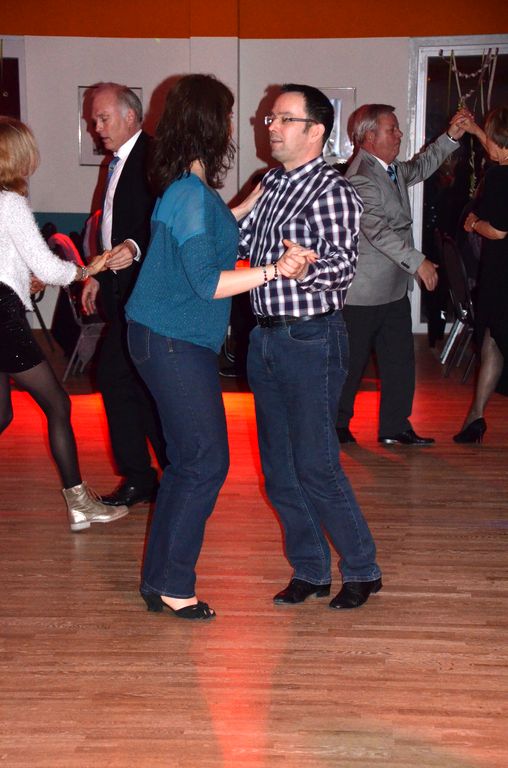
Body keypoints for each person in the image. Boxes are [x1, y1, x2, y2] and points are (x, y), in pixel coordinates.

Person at [125, 74, 292, 620]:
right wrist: (276, 269)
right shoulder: (190, 192)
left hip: (166, 336)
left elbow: (212, 230)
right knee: (204, 461)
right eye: (227, 116)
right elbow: (208, 281)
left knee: (189, 461)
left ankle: (161, 580)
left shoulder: (188, 188)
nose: (233, 126)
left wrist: (249, 202)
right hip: (172, 340)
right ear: (209, 123)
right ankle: (173, 584)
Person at [238, 83, 382, 610]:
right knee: (279, 470)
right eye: (270, 118)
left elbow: (342, 267)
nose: (271, 127)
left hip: (311, 337)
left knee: (316, 464)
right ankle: (311, 569)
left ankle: (362, 569)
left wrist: (304, 269)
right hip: (265, 336)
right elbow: (239, 244)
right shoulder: (270, 183)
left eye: (284, 118)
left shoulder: (332, 190)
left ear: (316, 130)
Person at [0, 116, 129, 531]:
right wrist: (86, 270)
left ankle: (80, 504)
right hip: (2, 317)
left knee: (2, 414)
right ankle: (80, 505)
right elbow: (48, 267)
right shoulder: (9, 202)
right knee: (58, 404)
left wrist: (26, 277)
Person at [335, 103, 470, 445]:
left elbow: (421, 166)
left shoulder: (389, 168)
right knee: (351, 364)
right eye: (391, 129)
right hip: (364, 292)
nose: (399, 134)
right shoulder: (360, 178)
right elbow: (377, 231)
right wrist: (418, 261)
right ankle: (335, 425)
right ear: (369, 136)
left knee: (399, 360)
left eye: (397, 128)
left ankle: (394, 428)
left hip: (392, 288)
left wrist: (451, 136)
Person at [81, 83, 166, 508]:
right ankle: (159, 474)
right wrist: (98, 272)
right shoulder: (116, 161)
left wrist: (133, 248)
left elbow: (161, 221)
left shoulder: (153, 157)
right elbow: (113, 223)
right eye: (94, 120)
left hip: (147, 293)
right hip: (123, 290)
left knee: (119, 379)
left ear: (130, 116)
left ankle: (148, 475)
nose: (96, 127)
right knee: (131, 383)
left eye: (103, 118)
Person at [453, 107, 508, 443]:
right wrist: (475, 131)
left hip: (502, 275)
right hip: (500, 274)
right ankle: (475, 416)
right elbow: (497, 148)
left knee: (496, 336)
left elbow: (499, 231)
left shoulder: (502, 177)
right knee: (492, 339)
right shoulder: (503, 166)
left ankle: (475, 417)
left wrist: (474, 223)